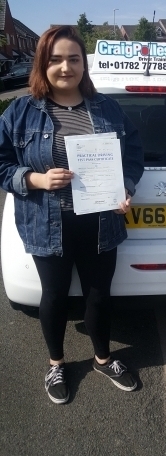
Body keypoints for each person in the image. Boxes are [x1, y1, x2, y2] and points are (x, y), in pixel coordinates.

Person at [0, 26, 144, 404]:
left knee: (99, 296)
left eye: (74, 59)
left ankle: (102, 358)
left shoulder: (107, 108)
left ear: (84, 64)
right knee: (55, 297)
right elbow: (1, 163)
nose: (66, 67)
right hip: (47, 223)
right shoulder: (21, 111)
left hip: (100, 222)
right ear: (42, 63)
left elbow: (133, 154)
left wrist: (125, 187)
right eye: (56, 59)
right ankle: (56, 363)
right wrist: (33, 178)